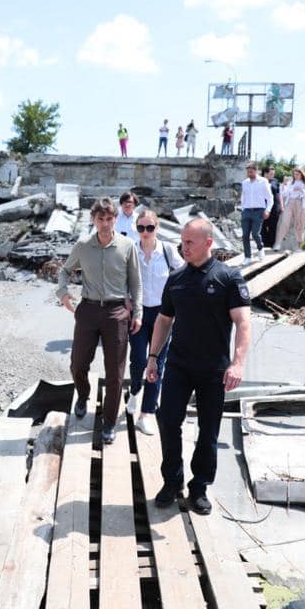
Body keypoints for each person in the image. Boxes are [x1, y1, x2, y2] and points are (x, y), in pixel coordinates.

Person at [145, 218, 252, 515]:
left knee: (208, 430)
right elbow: (164, 320)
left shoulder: (228, 277)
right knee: (167, 421)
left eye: (190, 242)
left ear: (208, 243)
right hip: (179, 364)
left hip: (214, 369)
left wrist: (238, 363)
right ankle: (172, 481)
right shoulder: (176, 278)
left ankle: (199, 487)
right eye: (182, 241)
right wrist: (153, 357)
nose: (184, 247)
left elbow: (243, 322)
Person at [57, 198, 142, 445]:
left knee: (115, 372)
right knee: (78, 363)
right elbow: (64, 270)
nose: (104, 224)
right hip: (88, 310)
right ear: (93, 219)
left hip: (116, 313)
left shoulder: (127, 246)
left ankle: (108, 422)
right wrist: (62, 293)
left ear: (116, 219)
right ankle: (83, 396)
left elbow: (136, 283)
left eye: (109, 219)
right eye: (100, 219)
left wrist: (137, 312)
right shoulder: (83, 246)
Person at [126, 210, 183, 436]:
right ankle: (134, 390)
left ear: (157, 228)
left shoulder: (167, 251)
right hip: (138, 313)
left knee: (157, 363)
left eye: (150, 228)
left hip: (163, 314)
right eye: (141, 228)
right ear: (136, 229)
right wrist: (125, 298)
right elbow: (121, 276)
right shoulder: (131, 250)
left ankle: (147, 413)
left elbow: (183, 274)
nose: (146, 233)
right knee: (139, 359)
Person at [239, 163, 273, 265]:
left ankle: (260, 247)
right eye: (248, 171)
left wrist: (267, 210)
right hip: (246, 211)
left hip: (259, 211)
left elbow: (270, 197)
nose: (249, 173)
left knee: (255, 233)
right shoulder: (245, 182)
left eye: (251, 171)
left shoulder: (263, 181)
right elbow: (243, 196)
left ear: (256, 171)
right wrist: (243, 208)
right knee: (245, 235)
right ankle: (247, 257)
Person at [274, 168, 305, 251]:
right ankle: (278, 243)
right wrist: (284, 187)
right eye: (294, 174)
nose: (295, 176)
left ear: (302, 174)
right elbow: (284, 193)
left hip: (300, 203)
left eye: (297, 174)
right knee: (284, 222)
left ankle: (299, 246)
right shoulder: (291, 183)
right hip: (290, 203)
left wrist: (301, 190)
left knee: (299, 224)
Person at [261, 166, 282, 249]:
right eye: (271, 174)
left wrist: (281, 206)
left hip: (274, 208)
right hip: (262, 207)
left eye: (273, 174)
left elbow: (276, 190)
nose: (272, 176)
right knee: (262, 226)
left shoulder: (275, 181)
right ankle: (265, 244)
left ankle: (272, 244)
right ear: (265, 173)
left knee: (273, 227)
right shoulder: (259, 181)